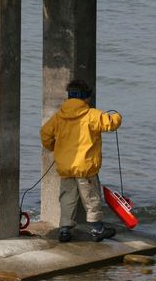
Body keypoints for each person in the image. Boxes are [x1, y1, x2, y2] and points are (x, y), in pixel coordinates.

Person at [40, 80, 122, 242]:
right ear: (86, 98)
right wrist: (117, 116)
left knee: (67, 198)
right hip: (85, 167)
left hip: (66, 167)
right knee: (91, 198)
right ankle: (97, 229)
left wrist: (52, 146)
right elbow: (111, 124)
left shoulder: (59, 116)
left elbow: (45, 133)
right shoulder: (92, 115)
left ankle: (64, 229)